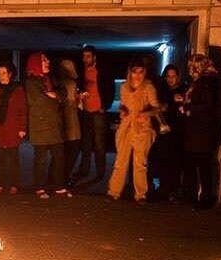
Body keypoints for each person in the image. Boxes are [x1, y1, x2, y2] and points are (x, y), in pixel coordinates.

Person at [107, 57, 160, 203]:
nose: (137, 75)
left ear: (145, 73)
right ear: (129, 73)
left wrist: (145, 114)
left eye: (141, 72)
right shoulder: (124, 87)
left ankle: (141, 194)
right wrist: (123, 110)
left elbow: (156, 108)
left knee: (140, 163)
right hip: (126, 128)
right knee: (120, 161)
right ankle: (114, 191)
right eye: (134, 72)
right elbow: (123, 104)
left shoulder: (148, 87)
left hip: (142, 128)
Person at [24, 52, 71, 199]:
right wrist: (55, 98)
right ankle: (39, 188)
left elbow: (63, 92)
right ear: (36, 63)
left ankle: (59, 187)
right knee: (41, 159)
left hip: (54, 126)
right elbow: (39, 101)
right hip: (40, 127)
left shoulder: (50, 79)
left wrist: (55, 95)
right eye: (44, 60)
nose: (48, 62)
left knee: (59, 157)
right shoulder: (31, 82)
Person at [182, 54, 221, 209]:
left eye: (191, 66)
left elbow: (206, 105)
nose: (190, 70)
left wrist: (188, 108)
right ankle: (197, 196)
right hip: (198, 131)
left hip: (201, 132)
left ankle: (204, 198)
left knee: (202, 165)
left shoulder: (206, 83)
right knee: (200, 164)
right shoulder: (205, 82)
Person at [74, 45, 114, 185]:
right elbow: (78, 86)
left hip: (98, 111)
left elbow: (110, 87)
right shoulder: (81, 71)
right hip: (86, 111)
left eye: (88, 56)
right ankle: (84, 170)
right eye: (84, 56)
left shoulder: (102, 70)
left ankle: (100, 173)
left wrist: (105, 106)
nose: (85, 59)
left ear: (94, 57)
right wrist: (80, 92)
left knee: (99, 144)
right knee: (86, 143)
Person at [0, 61, 27, 194]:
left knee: (13, 158)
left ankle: (14, 184)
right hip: (0, 128)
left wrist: (22, 128)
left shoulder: (17, 89)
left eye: (4, 73)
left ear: (10, 74)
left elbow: (22, 109)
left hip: (13, 128)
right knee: (0, 158)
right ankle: (0, 183)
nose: (1, 76)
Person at [149, 64, 186, 201]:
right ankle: (163, 188)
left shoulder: (183, 90)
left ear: (178, 77)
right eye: (168, 77)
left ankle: (173, 189)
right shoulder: (163, 91)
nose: (171, 79)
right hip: (164, 131)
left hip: (177, 132)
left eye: (173, 76)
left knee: (174, 161)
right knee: (162, 160)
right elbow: (159, 107)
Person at [58, 59, 82, 188]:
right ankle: (63, 178)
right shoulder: (71, 83)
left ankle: (59, 177)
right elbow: (75, 103)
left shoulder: (58, 82)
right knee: (72, 151)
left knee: (64, 152)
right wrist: (80, 98)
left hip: (64, 123)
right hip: (71, 122)